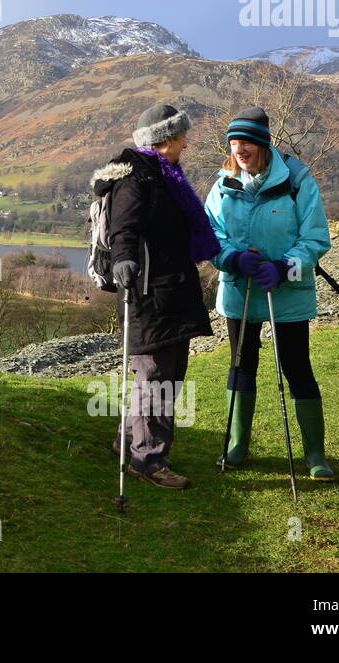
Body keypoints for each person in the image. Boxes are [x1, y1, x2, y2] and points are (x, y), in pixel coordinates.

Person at [203, 107, 335, 480]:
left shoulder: (297, 180)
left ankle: (315, 456)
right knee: (241, 365)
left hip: (287, 294)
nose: (238, 149)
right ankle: (237, 445)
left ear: (263, 143)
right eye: (233, 142)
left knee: (296, 368)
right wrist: (232, 259)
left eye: (245, 141)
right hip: (239, 292)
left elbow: (315, 238)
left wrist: (283, 266)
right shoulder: (223, 184)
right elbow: (210, 235)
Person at [92, 104, 219, 489]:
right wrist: (124, 260)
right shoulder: (137, 179)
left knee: (163, 374)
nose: (186, 143)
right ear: (165, 140)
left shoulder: (162, 176)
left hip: (168, 290)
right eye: (182, 137)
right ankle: (148, 461)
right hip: (149, 293)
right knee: (157, 378)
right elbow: (123, 229)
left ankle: (129, 440)